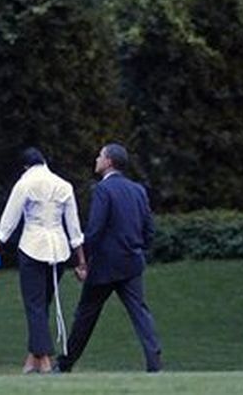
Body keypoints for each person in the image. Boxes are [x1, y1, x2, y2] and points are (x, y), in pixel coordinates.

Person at [0, 147, 87, 374]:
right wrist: (81, 262)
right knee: (42, 306)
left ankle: (45, 359)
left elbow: (6, 226)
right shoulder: (64, 185)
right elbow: (75, 230)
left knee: (35, 306)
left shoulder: (24, 184)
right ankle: (32, 359)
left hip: (32, 248)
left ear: (26, 166)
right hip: (59, 251)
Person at [55, 143, 162, 373]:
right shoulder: (138, 190)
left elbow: (94, 230)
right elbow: (149, 230)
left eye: (100, 156)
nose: (96, 159)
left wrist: (82, 261)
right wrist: (139, 250)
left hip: (104, 266)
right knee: (140, 313)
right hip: (131, 263)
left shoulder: (103, 190)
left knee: (85, 316)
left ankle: (64, 364)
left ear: (109, 162)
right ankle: (155, 363)